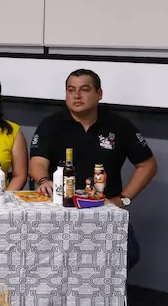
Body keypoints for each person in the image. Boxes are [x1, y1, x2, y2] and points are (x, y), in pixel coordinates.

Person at [30, 69, 157, 270]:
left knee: (128, 255)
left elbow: (148, 165)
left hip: (104, 210)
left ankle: (107, 298)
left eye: (84, 90)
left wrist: (124, 199)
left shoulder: (119, 126)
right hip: (61, 210)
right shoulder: (51, 125)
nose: (77, 96)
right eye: (71, 90)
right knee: (49, 260)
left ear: (99, 93)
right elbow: (37, 161)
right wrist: (44, 180)